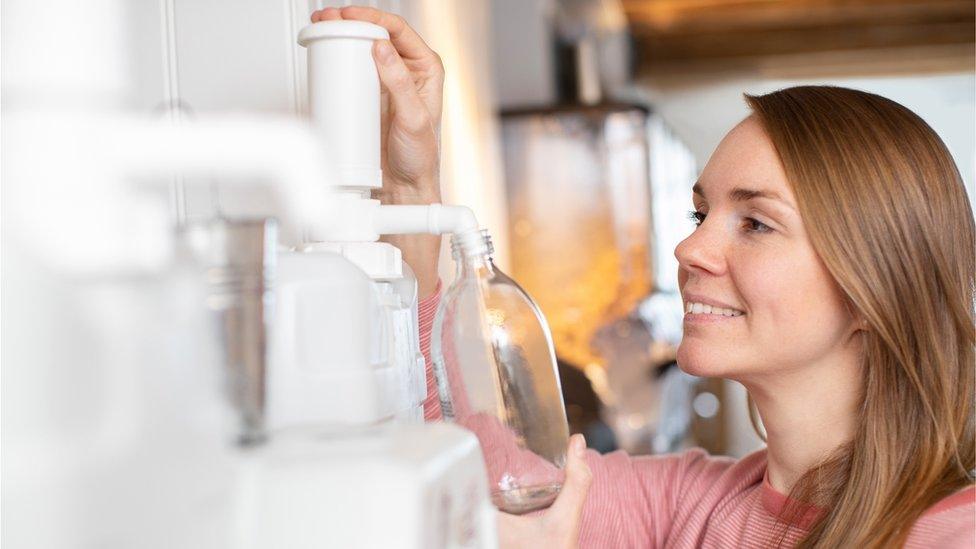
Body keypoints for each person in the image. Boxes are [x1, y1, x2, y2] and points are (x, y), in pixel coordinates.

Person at [310, 7, 975, 548]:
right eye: (701, 211)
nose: (690, 247)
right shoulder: (688, 504)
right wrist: (409, 183)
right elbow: (460, 460)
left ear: (874, 285)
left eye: (756, 224)